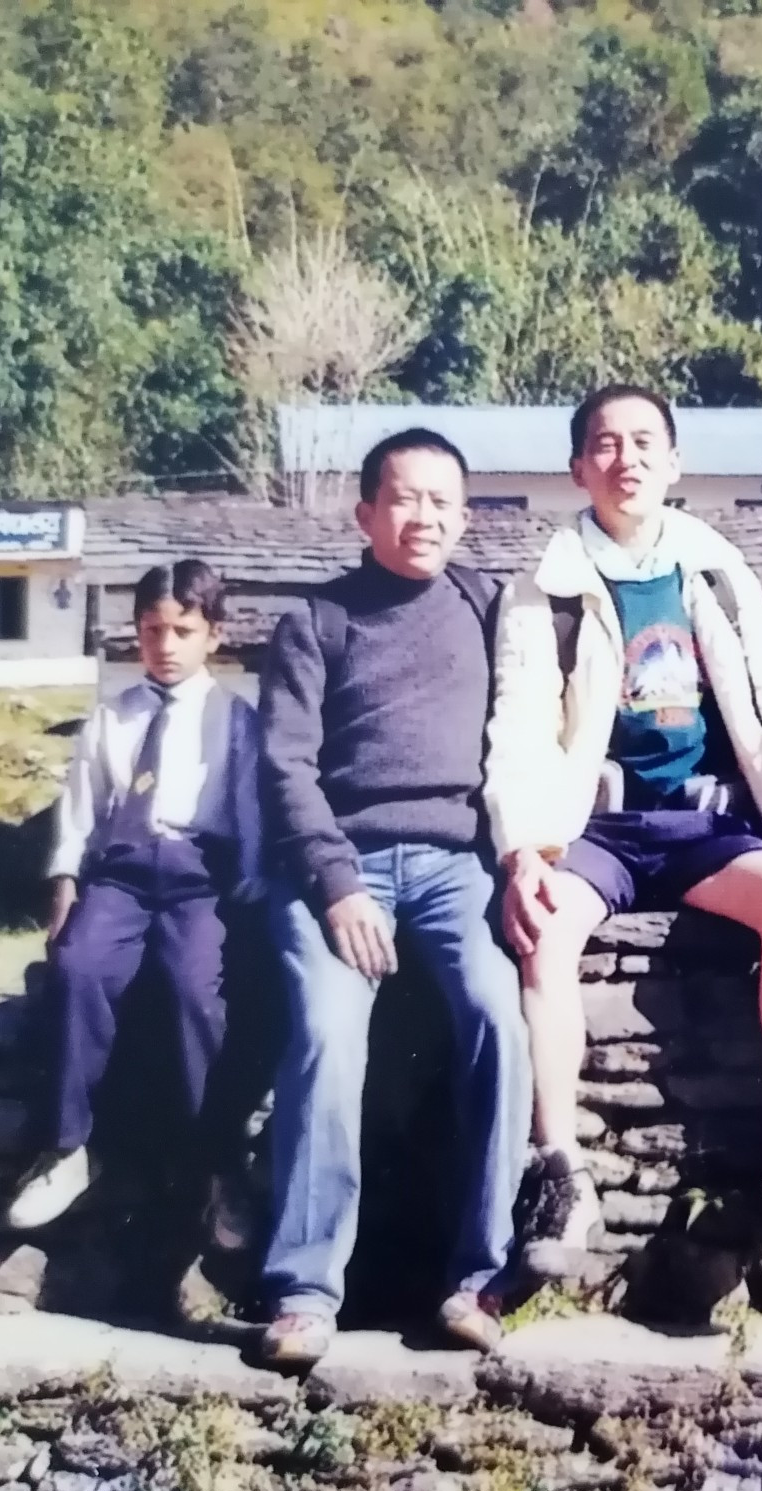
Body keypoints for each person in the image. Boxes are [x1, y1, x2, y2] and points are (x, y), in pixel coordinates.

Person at [488, 384, 762, 1280]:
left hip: (705, 824)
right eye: (606, 445)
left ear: (675, 461)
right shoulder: (545, 590)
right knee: (544, 938)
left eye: (645, 441)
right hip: (598, 826)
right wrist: (519, 849)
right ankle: (559, 1169)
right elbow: (520, 724)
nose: (627, 459)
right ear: (580, 468)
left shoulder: (718, 571)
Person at [256, 427, 530, 1369]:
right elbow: (285, 768)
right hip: (343, 867)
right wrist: (335, 886)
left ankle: (478, 1279)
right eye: (405, 499)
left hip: (458, 868)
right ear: (366, 509)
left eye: (444, 503)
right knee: (329, 1034)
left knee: (499, 1012)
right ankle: (302, 1291)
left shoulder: (490, 606)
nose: (425, 518)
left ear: (464, 515)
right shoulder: (317, 623)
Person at [10, 561, 263, 1239]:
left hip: (199, 877)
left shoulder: (236, 721)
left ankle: (217, 1167)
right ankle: (66, 1148)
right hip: (120, 875)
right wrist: (64, 887)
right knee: (78, 970)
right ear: (136, 632)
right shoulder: (111, 719)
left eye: (183, 630)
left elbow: (251, 822)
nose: (166, 645)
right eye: (153, 629)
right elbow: (80, 816)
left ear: (215, 634)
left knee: (192, 991)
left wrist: (249, 900)